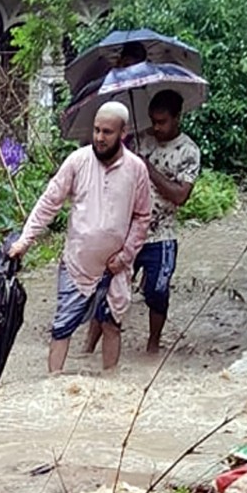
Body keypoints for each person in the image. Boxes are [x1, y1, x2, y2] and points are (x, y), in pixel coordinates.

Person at [8, 102, 151, 373]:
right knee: (62, 327)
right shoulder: (77, 161)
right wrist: (25, 241)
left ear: (124, 133)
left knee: (111, 325)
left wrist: (126, 255)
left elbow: (142, 216)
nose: (99, 137)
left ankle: (111, 384)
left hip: (116, 266)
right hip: (77, 266)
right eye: (96, 130)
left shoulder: (136, 169)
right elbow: (49, 202)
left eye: (107, 131)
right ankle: (53, 386)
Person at [86, 90, 201, 355]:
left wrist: (148, 168)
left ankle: (153, 345)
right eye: (153, 121)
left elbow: (180, 196)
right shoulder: (138, 141)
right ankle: (89, 346)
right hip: (125, 231)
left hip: (162, 233)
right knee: (106, 287)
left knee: (157, 291)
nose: (156, 127)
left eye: (162, 122)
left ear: (177, 118)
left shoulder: (189, 151)